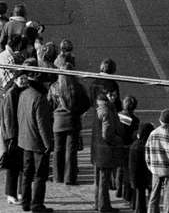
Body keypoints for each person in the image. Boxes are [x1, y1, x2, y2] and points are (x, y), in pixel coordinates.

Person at [18, 60, 55, 212]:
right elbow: (43, 125)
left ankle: (25, 202)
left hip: (25, 139)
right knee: (40, 175)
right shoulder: (40, 98)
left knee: (27, 173)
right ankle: (37, 204)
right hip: (37, 142)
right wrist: (48, 144)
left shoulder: (24, 94)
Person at [50, 54, 91, 186]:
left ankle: (57, 176)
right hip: (73, 121)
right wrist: (78, 112)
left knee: (58, 149)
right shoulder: (78, 87)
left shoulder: (55, 87)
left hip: (58, 122)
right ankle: (70, 178)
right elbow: (86, 103)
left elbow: (49, 104)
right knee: (71, 151)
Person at [91, 67, 126, 212]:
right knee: (104, 179)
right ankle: (104, 206)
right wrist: (117, 139)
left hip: (97, 150)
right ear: (109, 95)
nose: (116, 98)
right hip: (105, 151)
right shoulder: (106, 111)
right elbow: (107, 134)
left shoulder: (99, 107)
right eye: (115, 95)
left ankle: (98, 203)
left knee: (99, 179)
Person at [0, 61, 28, 206]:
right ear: (15, 80)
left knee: (22, 165)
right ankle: (10, 194)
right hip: (14, 135)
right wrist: (10, 137)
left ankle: (21, 192)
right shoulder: (11, 94)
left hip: (23, 134)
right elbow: (8, 117)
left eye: (25, 78)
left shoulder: (24, 91)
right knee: (13, 167)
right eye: (21, 78)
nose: (24, 80)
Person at [145, 109, 169, 213]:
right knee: (168, 196)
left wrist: (150, 166)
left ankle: (151, 211)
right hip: (168, 170)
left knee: (154, 194)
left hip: (155, 169)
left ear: (160, 120)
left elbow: (147, 151)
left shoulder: (153, 133)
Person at [130, 122, 154, 213]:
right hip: (150, 176)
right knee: (153, 197)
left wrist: (133, 181)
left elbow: (132, 166)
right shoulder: (151, 146)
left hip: (139, 178)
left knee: (140, 198)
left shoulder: (135, 146)